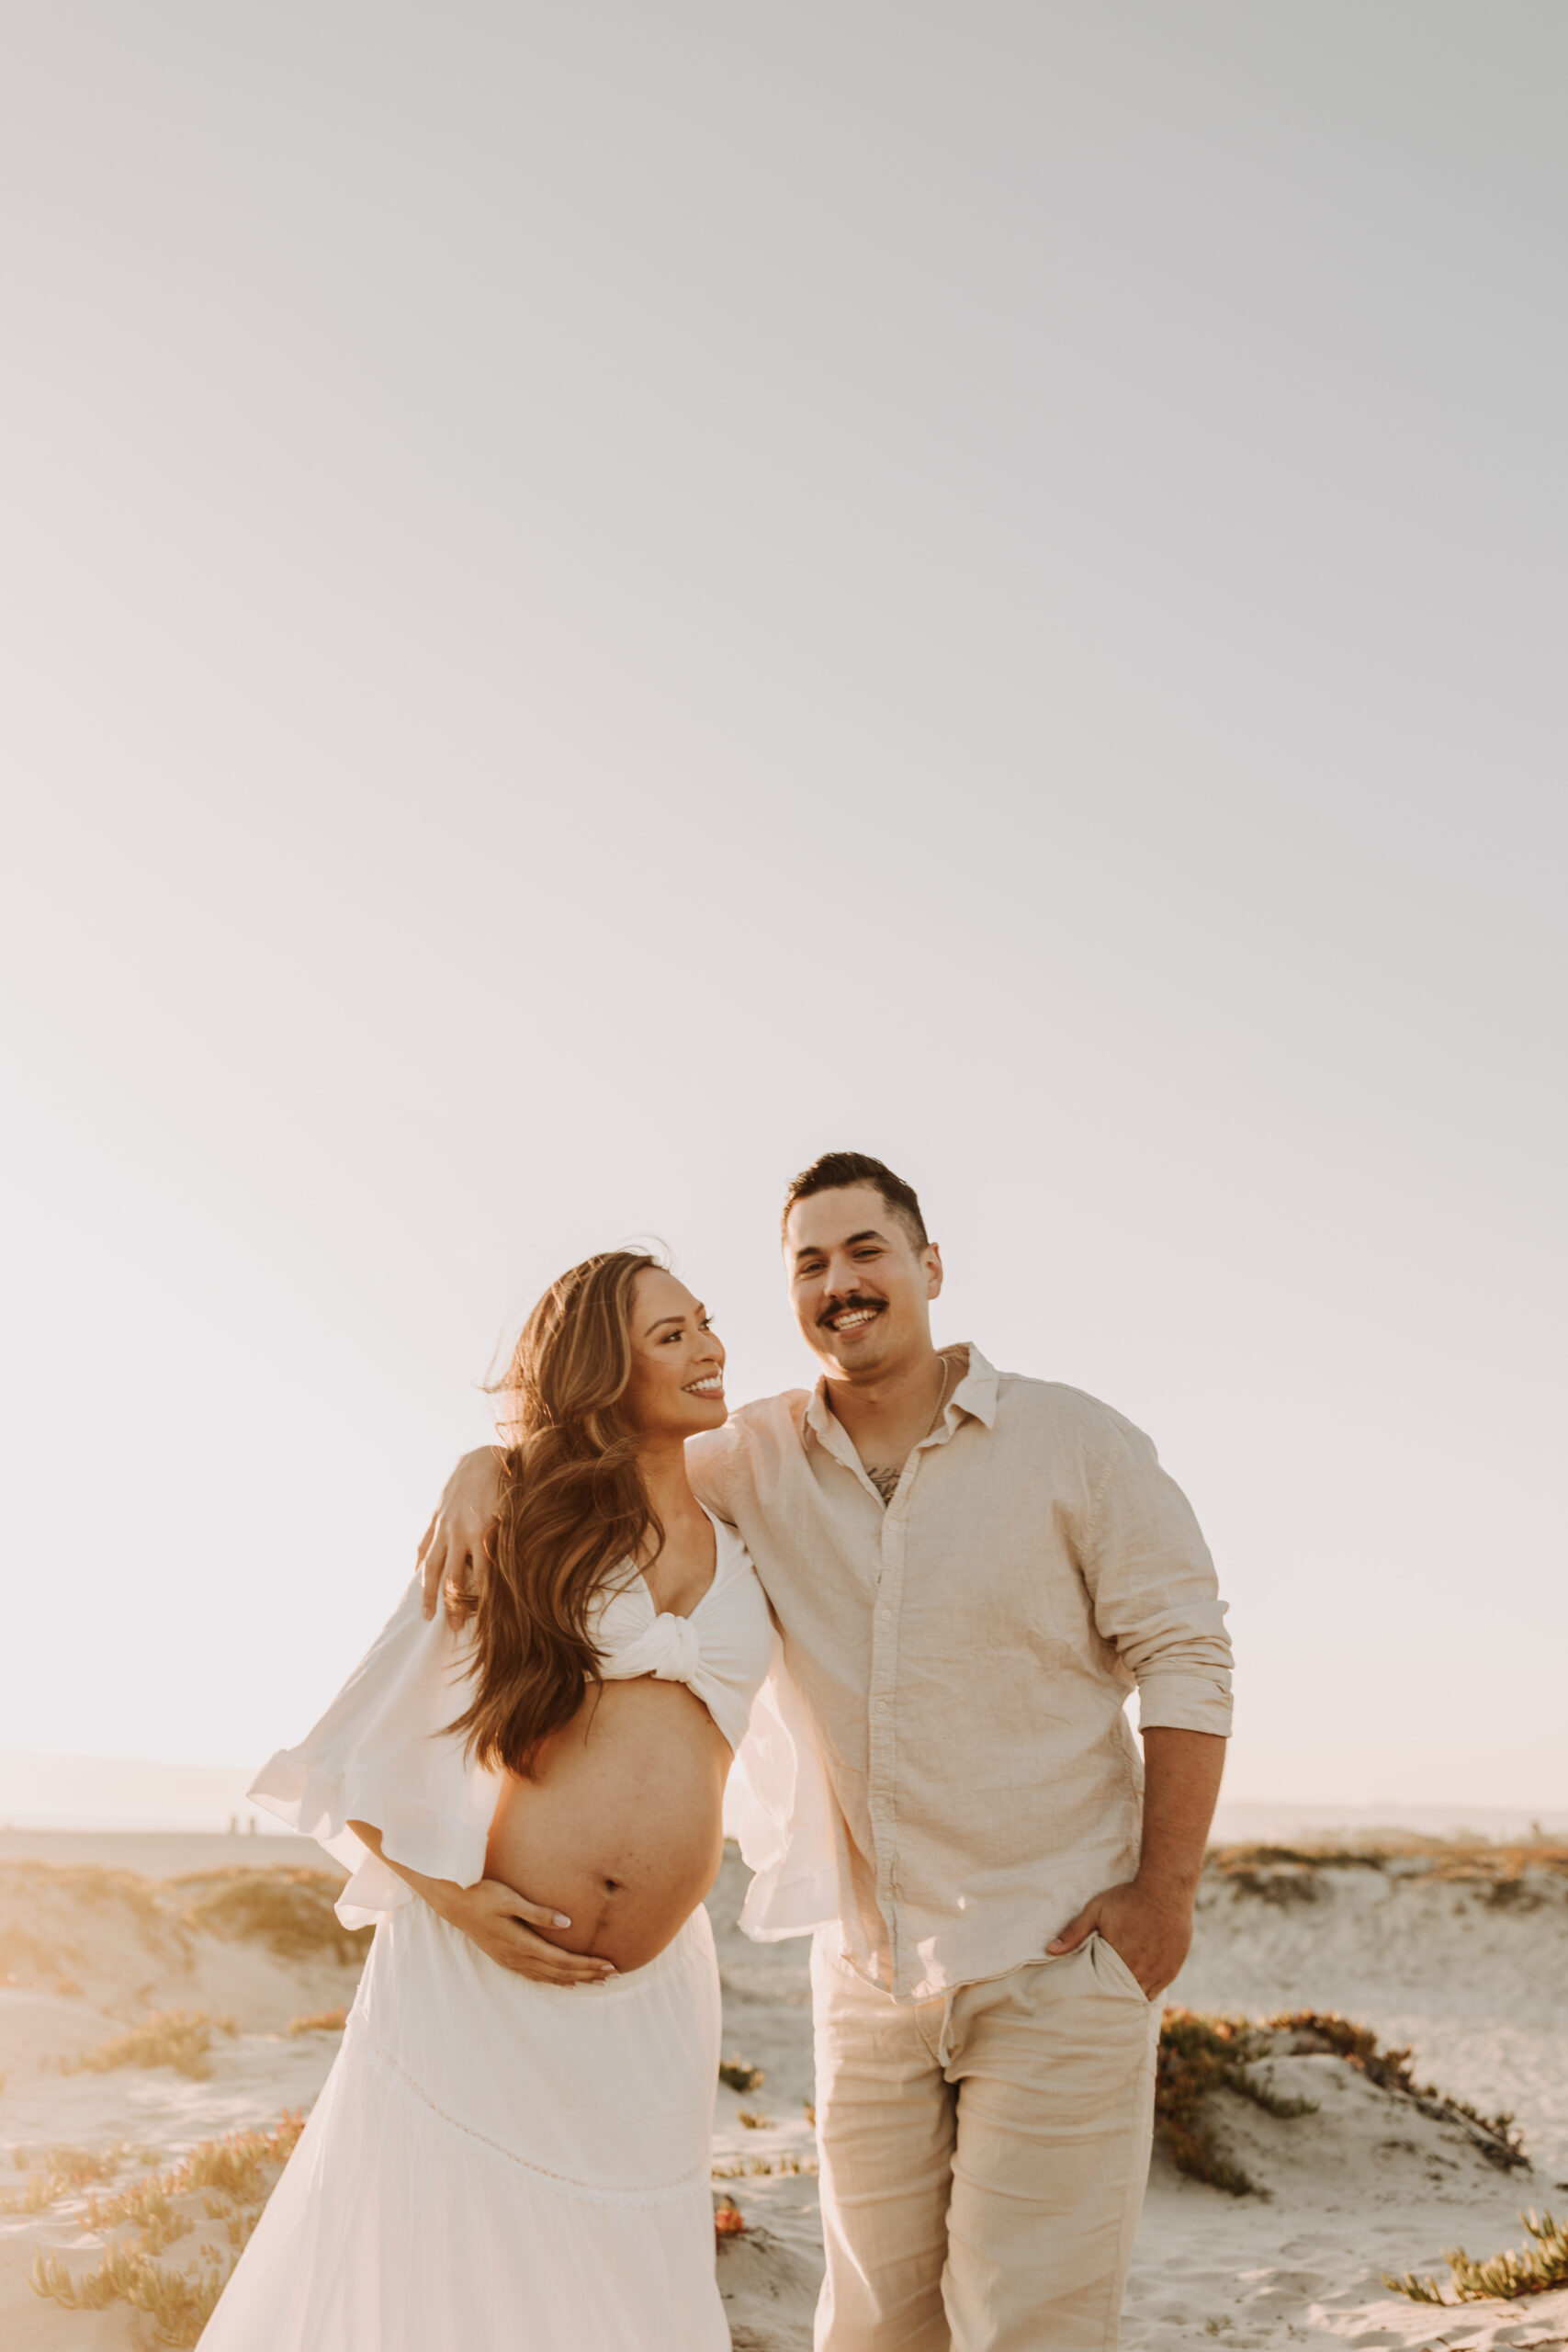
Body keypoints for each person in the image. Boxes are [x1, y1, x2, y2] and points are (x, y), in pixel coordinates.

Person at [423, 1152, 1235, 2352]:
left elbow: (1186, 1660)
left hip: (1056, 1955)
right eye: (810, 1263)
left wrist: (1162, 1892)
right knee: (863, 2330)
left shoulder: (1075, 1444)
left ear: (928, 1268)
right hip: (866, 1976)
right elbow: (587, 1447)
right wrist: (479, 1466)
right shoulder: (744, 1458)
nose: (839, 1282)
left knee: (1033, 2326)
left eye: (866, 1251)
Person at [200, 1250, 774, 2352]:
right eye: (672, 1335)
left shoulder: (753, 1525)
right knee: (435, 2279)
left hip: (651, 2001)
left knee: (617, 2288)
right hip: (473, 1980)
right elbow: (354, 1754)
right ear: (606, 1372)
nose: (710, 1348)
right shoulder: (518, 1523)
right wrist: (457, 1902)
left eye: (706, 1323)